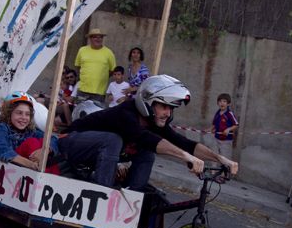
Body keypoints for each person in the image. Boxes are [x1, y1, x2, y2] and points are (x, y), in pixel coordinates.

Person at [60, 75, 239, 191]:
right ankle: (102, 194)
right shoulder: (126, 113)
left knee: (147, 151)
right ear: (148, 102)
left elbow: (184, 143)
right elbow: (146, 138)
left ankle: (131, 195)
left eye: (171, 108)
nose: (168, 113)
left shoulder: (153, 121)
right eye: (163, 106)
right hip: (71, 142)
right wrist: (186, 158)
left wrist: (222, 159)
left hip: (94, 152)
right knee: (114, 139)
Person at [0, 92, 60, 173]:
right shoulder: (2, 128)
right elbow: (0, 149)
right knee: (32, 142)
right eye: (19, 113)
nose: (24, 117)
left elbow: (53, 138)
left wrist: (44, 151)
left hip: (27, 171)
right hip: (4, 170)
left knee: (44, 142)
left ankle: (52, 179)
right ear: (9, 113)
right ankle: (43, 175)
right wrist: (30, 164)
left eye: (27, 114)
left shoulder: (30, 131)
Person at [74, 28, 116, 102]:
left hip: (99, 92)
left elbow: (112, 70)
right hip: (82, 90)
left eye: (100, 37)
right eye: (95, 37)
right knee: (79, 112)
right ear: (90, 38)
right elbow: (78, 66)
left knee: (95, 113)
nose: (98, 39)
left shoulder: (109, 52)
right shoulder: (82, 50)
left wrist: (102, 76)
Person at [210, 93, 238, 160]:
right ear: (218, 103)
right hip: (216, 138)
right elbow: (214, 124)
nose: (222, 103)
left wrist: (228, 129)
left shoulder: (229, 114)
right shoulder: (218, 112)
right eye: (220, 101)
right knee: (214, 155)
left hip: (226, 140)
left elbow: (236, 125)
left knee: (225, 158)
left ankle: (224, 170)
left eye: (224, 101)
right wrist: (210, 129)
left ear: (228, 104)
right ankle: (213, 170)